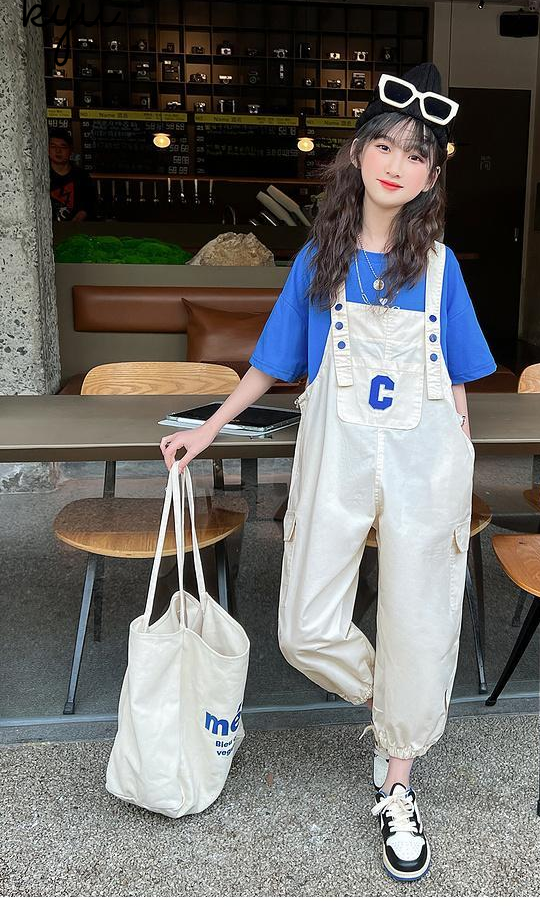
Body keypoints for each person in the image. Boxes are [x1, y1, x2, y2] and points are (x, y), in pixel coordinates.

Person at [160, 63, 496, 882]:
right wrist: (208, 428)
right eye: (384, 145)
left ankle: (398, 781)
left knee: (418, 614)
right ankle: (395, 705)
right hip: (336, 453)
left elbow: (456, 377)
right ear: (357, 153)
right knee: (304, 625)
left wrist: (459, 447)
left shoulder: (440, 266)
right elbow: (273, 364)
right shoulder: (320, 259)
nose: (396, 164)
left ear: (431, 176)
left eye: (416, 154)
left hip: (423, 457)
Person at [49, 129, 97, 222]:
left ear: (70, 150)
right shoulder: (42, 175)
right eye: (53, 146)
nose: (58, 151)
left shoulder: (82, 176)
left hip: (77, 227)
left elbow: (89, 204)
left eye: (63, 147)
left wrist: (80, 216)